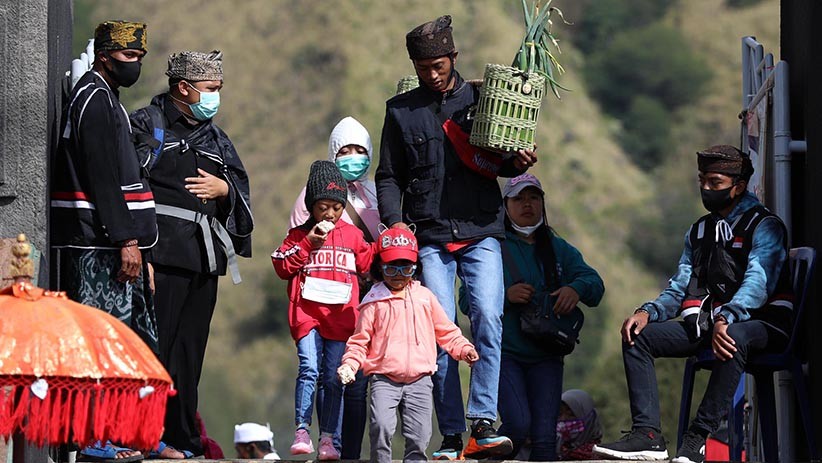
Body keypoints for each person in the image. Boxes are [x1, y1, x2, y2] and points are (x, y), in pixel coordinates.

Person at [375, 14, 537, 460]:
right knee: (440, 328)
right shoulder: (399, 111)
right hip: (428, 236)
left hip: (482, 230)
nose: (433, 74)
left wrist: (519, 164)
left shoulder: (484, 98)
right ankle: (449, 433)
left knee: (487, 315)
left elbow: (502, 161)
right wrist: (394, 223)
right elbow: (389, 176)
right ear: (414, 64)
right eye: (424, 67)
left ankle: (482, 421)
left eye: (439, 65)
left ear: (454, 58)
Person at [593, 145, 794, 463]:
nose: (705, 189)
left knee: (733, 337)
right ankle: (647, 436)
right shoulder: (700, 231)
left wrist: (727, 317)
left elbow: (759, 283)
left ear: (737, 187)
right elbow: (680, 287)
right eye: (702, 180)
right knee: (638, 336)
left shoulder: (765, 226)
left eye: (715, 183)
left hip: (764, 323)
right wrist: (648, 311)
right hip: (712, 322)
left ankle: (698, 438)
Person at [130, 49, 253, 457]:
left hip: (203, 261)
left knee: (189, 356)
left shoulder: (217, 138)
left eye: (219, 88)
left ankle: (182, 437)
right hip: (159, 257)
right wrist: (139, 254)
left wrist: (225, 192)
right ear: (184, 88)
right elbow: (126, 185)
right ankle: (144, 436)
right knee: (154, 349)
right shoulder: (148, 124)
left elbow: (240, 196)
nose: (216, 97)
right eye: (210, 89)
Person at [50, 19, 156, 463]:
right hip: (96, 246)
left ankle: (108, 434)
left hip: (105, 242)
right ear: (105, 54)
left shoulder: (105, 97)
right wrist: (126, 239)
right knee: (99, 339)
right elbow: (101, 177)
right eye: (127, 56)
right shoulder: (93, 99)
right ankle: (92, 438)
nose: (133, 64)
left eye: (138, 57)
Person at [337, 228, 479, 463]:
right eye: (391, 268)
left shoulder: (424, 296)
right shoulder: (373, 301)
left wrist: (464, 349)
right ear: (379, 267)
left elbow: (446, 330)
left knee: (419, 436)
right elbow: (359, 342)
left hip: (420, 380)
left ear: (416, 268)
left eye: (406, 268)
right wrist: (350, 365)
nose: (398, 275)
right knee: (381, 427)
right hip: (384, 379)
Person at [496, 174, 604, 461]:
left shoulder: (558, 248)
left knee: (545, 439)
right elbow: (468, 302)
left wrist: (575, 288)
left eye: (534, 197)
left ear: (543, 203)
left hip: (547, 356)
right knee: (517, 428)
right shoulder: (492, 247)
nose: (527, 204)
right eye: (518, 198)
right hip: (506, 354)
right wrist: (505, 296)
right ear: (505, 205)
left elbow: (595, 284)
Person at [272, 160, 374, 461]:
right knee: (309, 368)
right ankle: (301, 430)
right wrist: (307, 244)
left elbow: (369, 264)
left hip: (341, 318)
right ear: (311, 206)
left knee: (332, 377)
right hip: (307, 316)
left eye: (336, 207)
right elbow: (281, 265)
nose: (329, 214)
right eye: (322, 207)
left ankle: (328, 438)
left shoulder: (353, 236)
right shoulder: (297, 235)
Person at [557, 389, 603, 460]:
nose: (563, 419)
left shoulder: (602, 455)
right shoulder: (550, 452)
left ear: (589, 420)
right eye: (559, 414)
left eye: (571, 415)